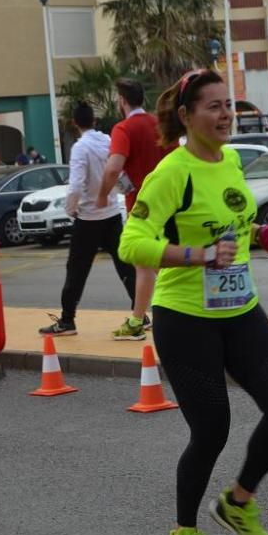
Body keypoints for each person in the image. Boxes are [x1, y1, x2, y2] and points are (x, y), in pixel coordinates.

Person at [118, 69, 268, 535]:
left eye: (228, 105)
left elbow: (236, 222)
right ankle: (183, 533)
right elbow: (131, 244)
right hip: (185, 318)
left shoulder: (230, 163)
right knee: (212, 428)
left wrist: (267, 238)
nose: (225, 115)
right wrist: (197, 256)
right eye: (214, 106)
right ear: (186, 115)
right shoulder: (170, 173)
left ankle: (238, 503)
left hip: (239, 311)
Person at [39, 103, 137, 337]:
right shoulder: (107, 141)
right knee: (125, 264)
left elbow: (75, 184)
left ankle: (67, 320)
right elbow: (120, 171)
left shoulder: (80, 148)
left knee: (76, 270)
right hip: (112, 214)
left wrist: (71, 209)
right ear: (94, 120)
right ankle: (139, 314)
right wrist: (126, 192)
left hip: (89, 217)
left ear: (75, 123)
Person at [98, 78, 167, 340]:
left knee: (143, 263)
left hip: (141, 207)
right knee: (159, 263)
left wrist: (103, 194)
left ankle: (138, 322)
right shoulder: (159, 125)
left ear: (122, 101)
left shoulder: (123, 129)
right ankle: (144, 318)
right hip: (169, 203)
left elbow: (114, 167)